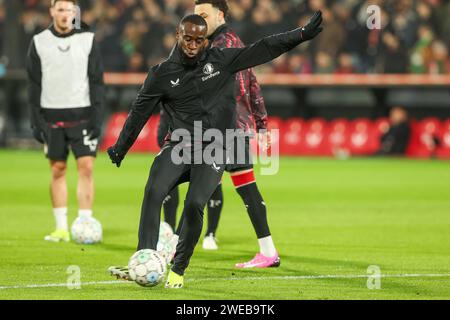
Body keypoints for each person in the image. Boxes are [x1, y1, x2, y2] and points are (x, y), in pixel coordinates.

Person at [107, 12, 323, 289]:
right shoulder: (161, 74)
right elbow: (138, 113)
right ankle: (144, 256)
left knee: (196, 203)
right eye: (188, 38)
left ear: (206, 40)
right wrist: (121, 148)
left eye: (199, 40)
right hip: (180, 145)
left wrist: (301, 34)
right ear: (178, 35)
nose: (194, 44)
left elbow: (264, 47)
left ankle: (179, 267)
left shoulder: (222, 60)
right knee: (154, 190)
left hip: (216, 148)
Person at [27, 0, 104, 242]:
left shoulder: (88, 39)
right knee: (58, 170)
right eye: (59, 10)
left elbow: (97, 81)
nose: (64, 14)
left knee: (87, 168)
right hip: (51, 116)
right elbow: (34, 84)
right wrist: (35, 120)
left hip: (82, 114)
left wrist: (97, 116)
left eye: (69, 10)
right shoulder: (39, 42)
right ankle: (61, 227)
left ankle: (84, 222)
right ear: (51, 12)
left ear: (75, 13)